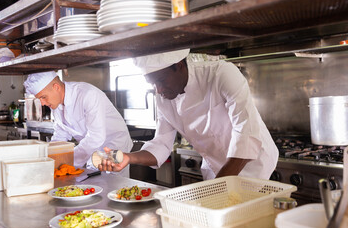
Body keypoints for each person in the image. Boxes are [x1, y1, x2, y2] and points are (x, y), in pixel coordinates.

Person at [99, 49, 278, 180]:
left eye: (161, 81)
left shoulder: (221, 74)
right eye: (152, 84)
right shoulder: (163, 98)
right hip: (215, 169)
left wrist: (220, 186)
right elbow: (161, 144)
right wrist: (128, 157)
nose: (158, 90)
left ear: (179, 66)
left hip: (254, 167)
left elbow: (246, 132)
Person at [24, 71, 133, 177]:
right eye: (39, 99)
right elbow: (61, 134)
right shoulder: (56, 104)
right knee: (94, 184)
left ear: (56, 87)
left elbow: (96, 137)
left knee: (114, 186)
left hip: (114, 146)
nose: (42, 103)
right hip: (91, 151)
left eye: (43, 97)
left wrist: (67, 163)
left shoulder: (88, 95)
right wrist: (49, 159)